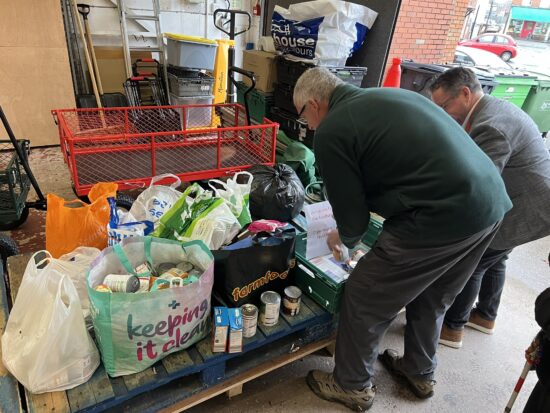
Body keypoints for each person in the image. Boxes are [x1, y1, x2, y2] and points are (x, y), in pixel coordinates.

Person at [293, 67, 512, 411]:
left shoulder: (332, 129)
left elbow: (353, 215)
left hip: (438, 216)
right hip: (489, 206)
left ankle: (351, 385)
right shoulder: (388, 95)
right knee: (434, 293)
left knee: (365, 293)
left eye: (302, 114)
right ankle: (419, 372)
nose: (306, 124)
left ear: (314, 104)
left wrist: (345, 237)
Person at [430, 67, 550, 349]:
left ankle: (453, 326)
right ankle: (485, 316)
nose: (444, 113)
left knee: (474, 260)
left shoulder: (491, 126)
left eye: (445, 106)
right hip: (532, 198)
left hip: (527, 204)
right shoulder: (491, 109)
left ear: (465, 93)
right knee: (497, 256)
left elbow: (479, 185)